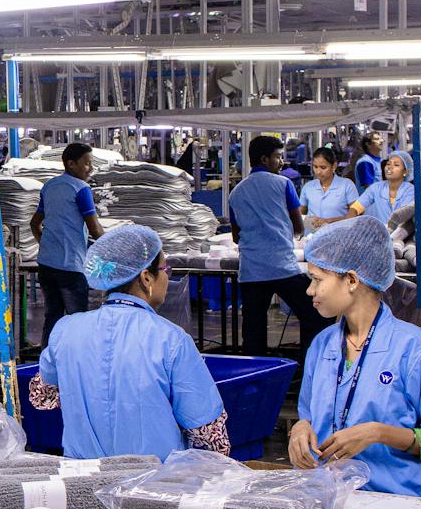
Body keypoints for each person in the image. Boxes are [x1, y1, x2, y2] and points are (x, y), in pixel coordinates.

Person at [290, 217, 421, 497]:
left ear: (351, 280)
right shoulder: (322, 346)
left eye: (317, 280)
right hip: (325, 498)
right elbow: (308, 416)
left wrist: (379, 433)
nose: (310, 290)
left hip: (393, 506)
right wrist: (300, 428)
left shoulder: (414, 350)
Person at [29, 225, 229, 459]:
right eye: (165, 269)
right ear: (146, 278)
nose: (167, 276)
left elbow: (42, 397)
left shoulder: (65, 330)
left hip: (82, 481)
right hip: (152, 484)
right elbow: (207, 432)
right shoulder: (171, 340)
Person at [230, 134, 327, 364]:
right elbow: (298, 226)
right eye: (277, 157)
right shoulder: (283, 184)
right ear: (265, 159)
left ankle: (256, 375)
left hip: (251, 272)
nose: (281, 162)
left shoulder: (236, 193)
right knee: (314, 313)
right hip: (282, 267)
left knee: (253, 330)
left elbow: (236, 236)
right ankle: (308, 367)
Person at [30, 142, 105, 347]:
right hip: (71, 267)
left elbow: (34, 223)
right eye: (86, 163)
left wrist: (46, 245)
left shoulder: (50, 186)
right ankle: (77, 364)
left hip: (46, 264)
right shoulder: (81, 189)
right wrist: (115, 248)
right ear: (71, 164)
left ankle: (45, 368)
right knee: (77, 320)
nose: (90, 168)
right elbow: (95, 230)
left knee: (52, 317)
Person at [299, 146, 359, 230]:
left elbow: (354, 214)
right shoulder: (308, 187)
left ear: (334, 166)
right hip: (311, 237)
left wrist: (329, 221)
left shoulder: (347, 185)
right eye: (315, 167)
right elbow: (300, 214)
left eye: (323, 167)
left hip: (339, 235)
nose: (318, 172)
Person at [350, 151, 417, 224]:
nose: (390, 167)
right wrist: (349, 222)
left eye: (396, 165)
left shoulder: (410, 190)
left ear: (405, 172)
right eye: (388, 164)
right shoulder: (375, 188)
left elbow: (403, 215)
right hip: (375, 233)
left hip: (400, 233)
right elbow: (356, 207)